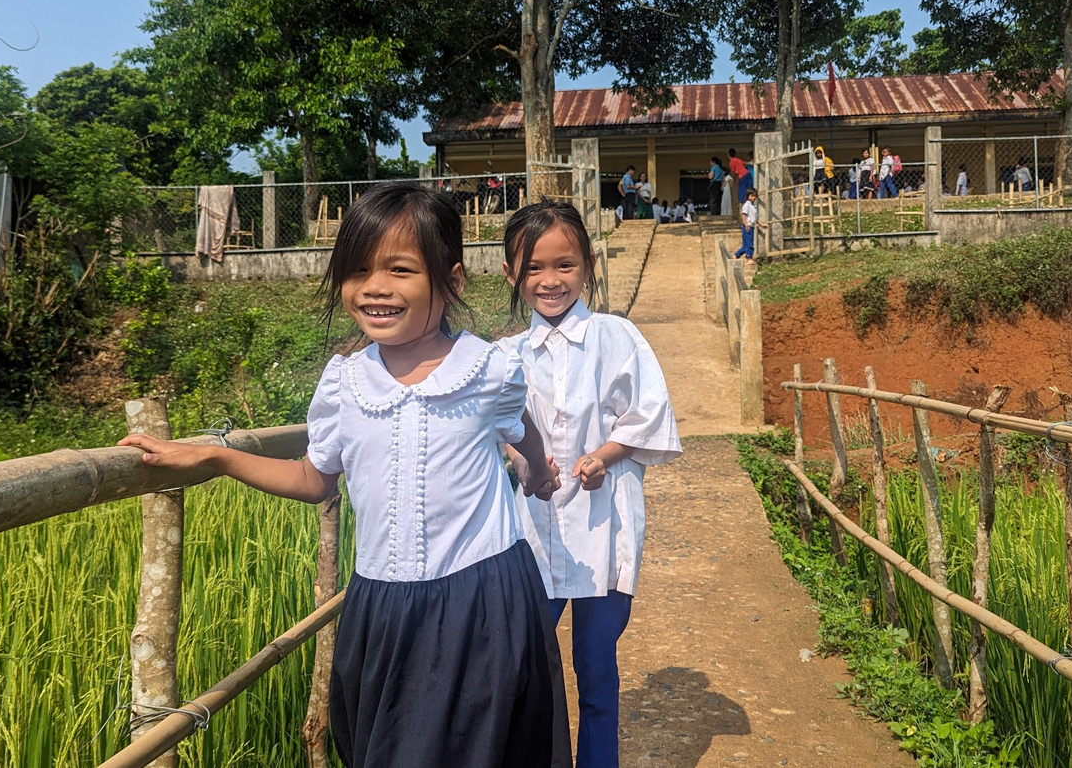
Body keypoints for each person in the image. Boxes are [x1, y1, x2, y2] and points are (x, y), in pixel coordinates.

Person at [119, 183, 572, 768]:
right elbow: (315, 480)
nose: (374, 287)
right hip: (381, 608)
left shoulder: (488, 369)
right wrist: (217, 457)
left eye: (400, 269)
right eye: (358, 270)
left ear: (452, 281)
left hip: (483, 600)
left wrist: (535, 470)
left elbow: (522, 427)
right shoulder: (345, 382)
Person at [500, 202, 681, 768]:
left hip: (605, 522)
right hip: (531, 529)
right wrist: (524, 463)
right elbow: (498, 431)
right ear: (510, 272)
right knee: (525, 665)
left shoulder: (616, 337)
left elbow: (647, 415)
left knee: (596, 667)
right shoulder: (504, 356)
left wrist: (603, 456)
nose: (549, 280)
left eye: (565, 265)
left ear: (589, 266)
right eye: (533, 267)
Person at [734, 187, 760, 261]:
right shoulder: (747, 205)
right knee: (749, 244)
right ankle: (749, 258)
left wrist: (761, 224)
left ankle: (736, 255)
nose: (753, 198)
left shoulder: (753, 206)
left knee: (745, 245)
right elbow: (743, 215)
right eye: (752, 196)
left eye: (755, 196)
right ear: (748, 196)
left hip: (751, 226)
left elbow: (755, 218)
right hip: (747, 227)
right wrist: (746, 224)